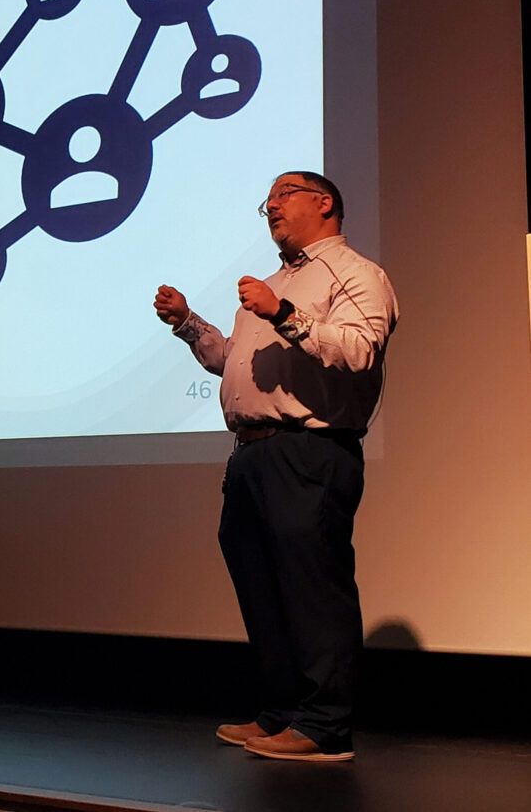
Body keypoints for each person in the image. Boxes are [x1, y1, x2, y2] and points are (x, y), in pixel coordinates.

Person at [154, 171, 398, 763]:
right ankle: (283, 711)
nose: (271, 206)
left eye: (284, 193)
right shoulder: (266, 285)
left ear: (325, 203)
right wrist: (189, 324)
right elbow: (231, 362)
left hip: (309, 450)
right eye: (267, 199)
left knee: (313, 587)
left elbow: (360, 349)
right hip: (251, 454)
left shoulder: (356, 273)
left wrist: (284, 311)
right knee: (263, 588)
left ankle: (325, 725)